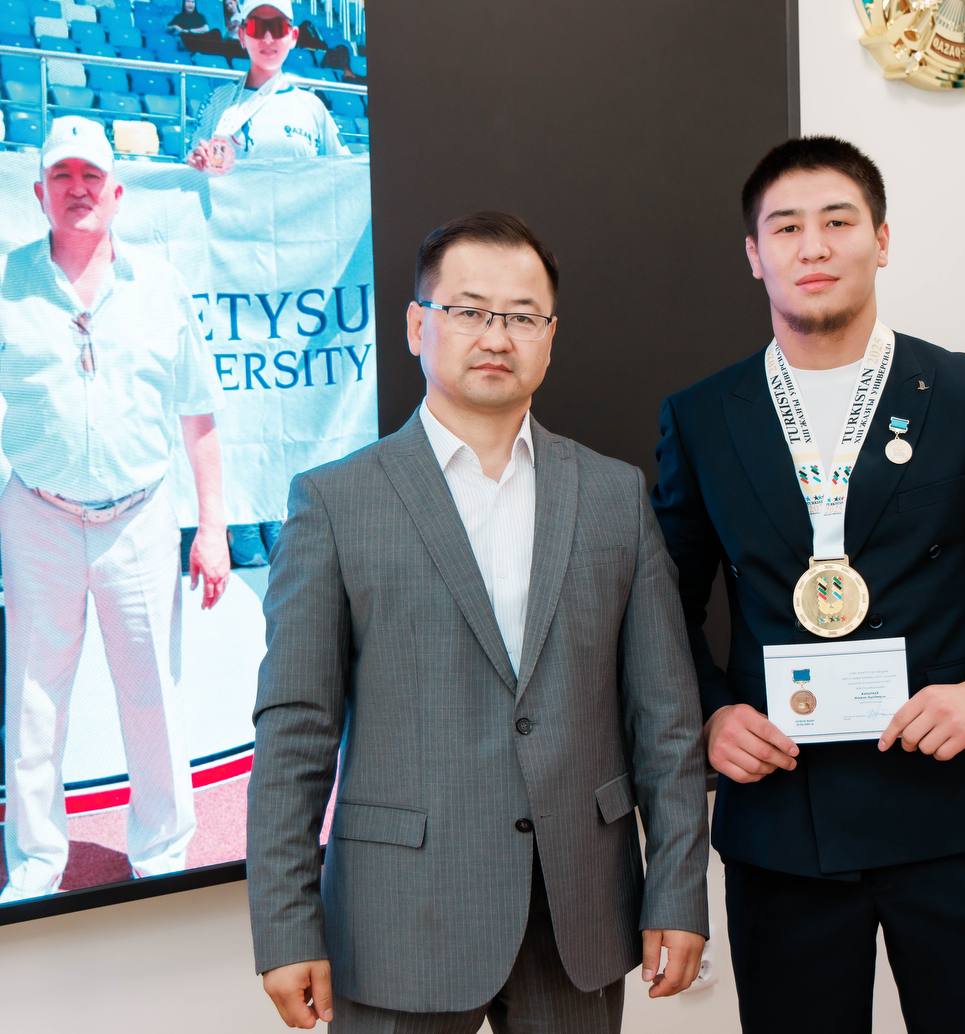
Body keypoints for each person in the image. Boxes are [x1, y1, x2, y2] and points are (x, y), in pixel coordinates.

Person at [651, 136, 965, 1033]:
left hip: (954, 803)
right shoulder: (701, 416)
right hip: (783, 812)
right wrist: (710, 713)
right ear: (755, 255)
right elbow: (663, 603)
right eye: (786, 227)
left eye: (838, 221)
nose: (813, 246)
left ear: (882, 240)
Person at [247, 211, 709, 1033]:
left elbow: (666, 719)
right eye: (467, 310)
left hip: (577, 911)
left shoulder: (612, 495)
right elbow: (295, 730)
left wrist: (677, 890)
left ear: (550, 338)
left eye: (522, 316)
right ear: (417, 326)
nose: (497, 336)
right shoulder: (335, 502)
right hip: (399, 918)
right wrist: (285, 925)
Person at [0, 117, 230, 903]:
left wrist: (212, 527)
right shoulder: (7, 283)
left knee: (152, 696)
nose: (78, 189)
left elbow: (198, 412)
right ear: (39, 192)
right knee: (33, 702)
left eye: (91, 176)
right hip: (38, 514)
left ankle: (161, 858)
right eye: (63, 176)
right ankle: (35, 867)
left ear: (118, 192)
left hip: (140, 518)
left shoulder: (159, 285)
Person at [187, 0, 348, 174]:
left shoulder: (314, 108)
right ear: (242, 35)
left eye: (279, 28)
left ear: (293, 37)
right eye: (256, 27)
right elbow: (193, 171)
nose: (268, 38)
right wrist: (197, 163)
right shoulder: (217, 100)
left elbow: (345, 172)